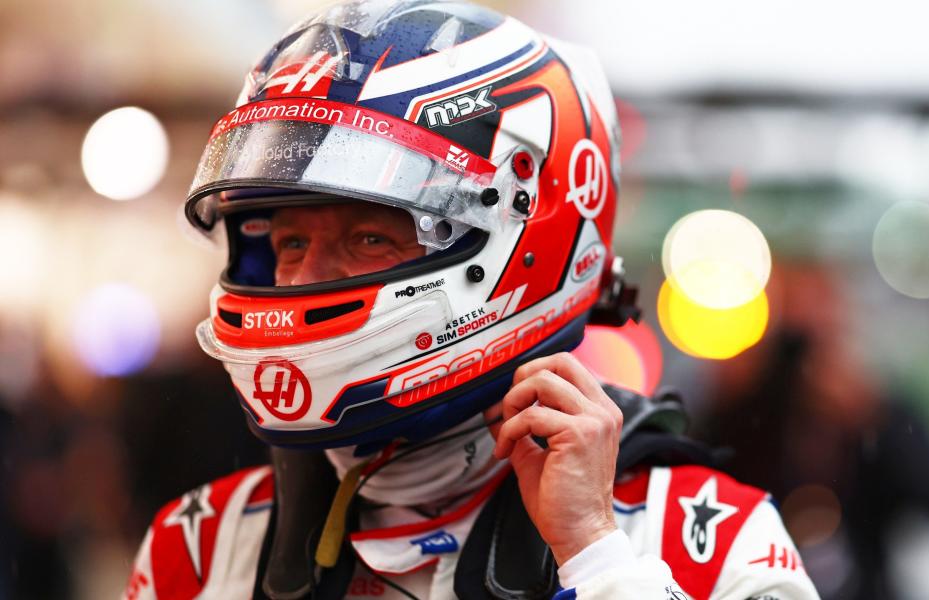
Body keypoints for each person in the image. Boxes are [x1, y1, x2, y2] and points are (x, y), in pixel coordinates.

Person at [124, 1, 819, 598]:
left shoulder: (711, 537)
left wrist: (597, 555)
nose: (303, 283)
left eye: (369, 238)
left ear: (526, 239)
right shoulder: (198, 547)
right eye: (288, 245)